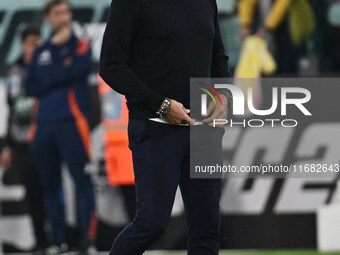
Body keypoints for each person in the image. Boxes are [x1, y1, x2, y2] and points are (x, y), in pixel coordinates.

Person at [99, 0, 232, 254]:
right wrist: (159, 104)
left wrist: (224, 94)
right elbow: (111, 65)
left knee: (207, 229)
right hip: (155, 126)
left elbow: (218, 56)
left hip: (204, 129)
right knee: (152, 223)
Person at [25, 0, 96, 254]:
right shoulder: (41, 49)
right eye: (57, 13)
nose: (64, 18)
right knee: (50, 185)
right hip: (44, 125)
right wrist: (56, 60)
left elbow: (70, 74)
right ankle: (58, 241)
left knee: (82, 182)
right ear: (47, 18)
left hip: (72, 122)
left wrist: (54, 65)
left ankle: (86, 241)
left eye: (66, 12)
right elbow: (29, 87)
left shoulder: (81, 45)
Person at [0, 25, 47, 253]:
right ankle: (40, 241)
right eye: (30, 44)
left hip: (45, 138)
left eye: (38, 43)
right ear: (22, 45)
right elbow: (11, 109)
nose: (34, 48)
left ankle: (59, 239)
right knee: (32, 192)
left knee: (51, 189)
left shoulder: (48, 68)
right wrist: (7, 145)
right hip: (21, 143)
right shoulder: (15, 72)